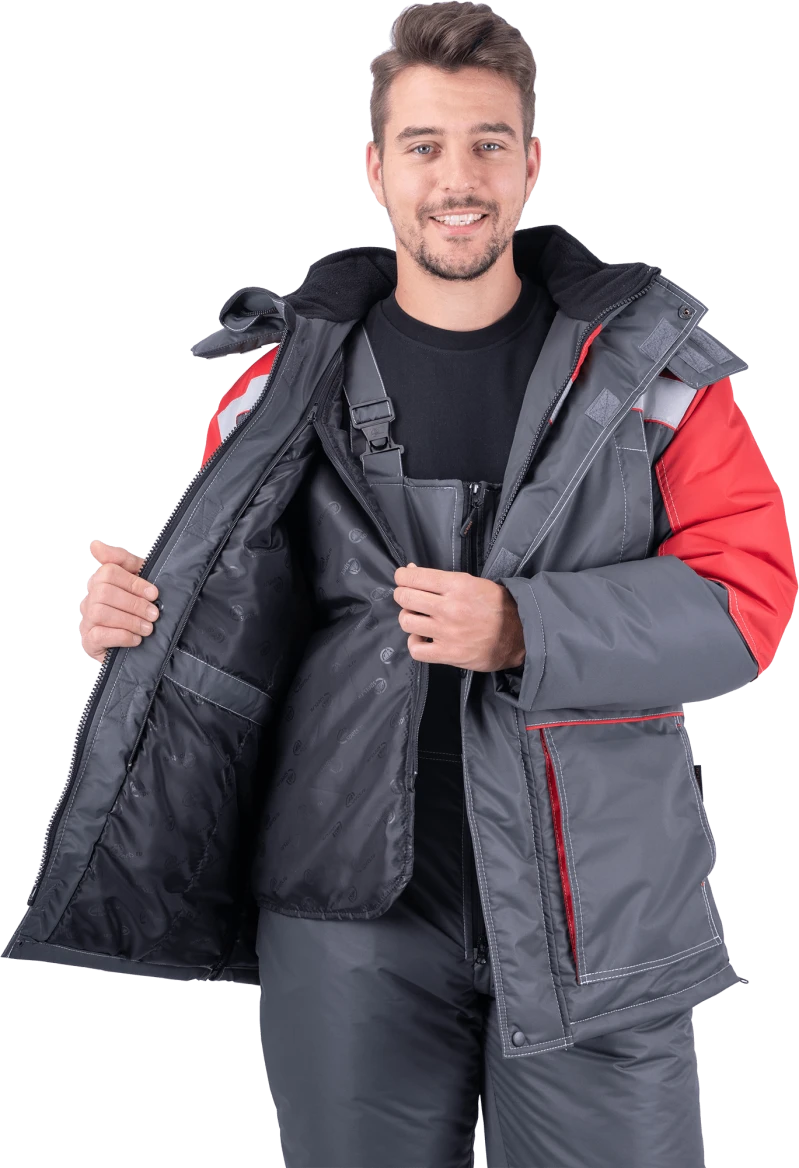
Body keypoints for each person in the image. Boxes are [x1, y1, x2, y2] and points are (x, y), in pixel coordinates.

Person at [21, 3, 794, 1166]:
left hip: (600, 913)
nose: (457, 178)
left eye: (488, 142)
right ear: (376, 168)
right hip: (346, 912)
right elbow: (233, 608)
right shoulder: (277, 388)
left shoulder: (654, 372)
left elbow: (745, 604)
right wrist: (136, 613)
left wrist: (526, 626)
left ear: (531, 162)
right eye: (425, 145)